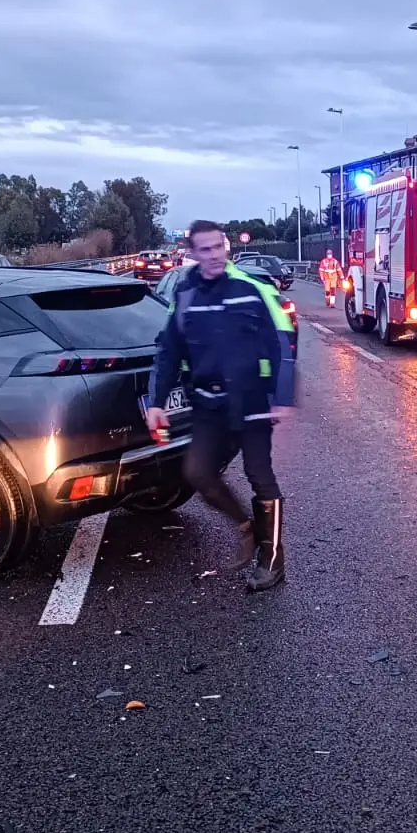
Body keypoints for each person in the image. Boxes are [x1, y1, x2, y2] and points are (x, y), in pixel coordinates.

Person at [146, 220, 297, 591]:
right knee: (197, 472)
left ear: (225, 248)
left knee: (259, 474)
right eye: (205, 250)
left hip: (252, 402)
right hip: (209, 404)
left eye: (218, 247)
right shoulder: (185, 297)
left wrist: (283, 397)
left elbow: (283, 345)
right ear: (193, 254)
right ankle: (247, 526)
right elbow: (168, 353)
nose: (214, 255)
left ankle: (272, 560)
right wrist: (156, 401)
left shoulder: (252, 289)